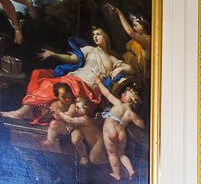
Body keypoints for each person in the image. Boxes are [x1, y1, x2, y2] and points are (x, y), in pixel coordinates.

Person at [2, 27, 133, 120]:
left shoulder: (112, 59)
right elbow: (71, 59)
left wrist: (120, 69)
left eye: (98, 34)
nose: (95, 37)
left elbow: (130, 68)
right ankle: (30, 110)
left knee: (52, 84)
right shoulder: (90, 50)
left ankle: (22, 112)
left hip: (87, 86)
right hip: (75, 78)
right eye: (94, 35)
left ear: (106, 36)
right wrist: (53, 54)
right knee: (40, 75)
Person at [95, 79, 144, 180]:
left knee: (112, 153)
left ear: (129, 100)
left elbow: (107, 94)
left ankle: (116, 174)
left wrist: (99, 83)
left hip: (110, 129)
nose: (122, 93)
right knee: (121, 154)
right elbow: (141, 124)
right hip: (121, 134)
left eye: (125, 93)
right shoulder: (131, 114)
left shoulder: (118, 103)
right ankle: (131, 170)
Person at [54, 96, 105, 166]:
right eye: (76, 107)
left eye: (78, 108)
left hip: (98, 143)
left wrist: (60, 113)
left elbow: (70, 120)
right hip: (91, 140)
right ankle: (84, 156)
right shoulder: (82, 117)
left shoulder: (84, 119)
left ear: (85, 109)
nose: (76, 109)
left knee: (94, 159)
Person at [105, 4, 151, 81]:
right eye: (133, 25)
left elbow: (130, 33)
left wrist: (119, 13)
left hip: (139, 78)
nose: (134, 28)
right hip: (129, 71)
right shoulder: (133, 43)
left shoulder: (147, 41)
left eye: (136, 25)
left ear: (144, 24)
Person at [42, 83, 77, 152]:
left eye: (69, 97)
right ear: (57, 96)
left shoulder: (72, 105)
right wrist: (46, 112)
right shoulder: (55, 104)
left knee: (54, 123)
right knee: (53, 123)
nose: (67, 99)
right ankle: (50, 141)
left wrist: (60, 114)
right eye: (64, 97)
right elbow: (51, 116)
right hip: (60, 125)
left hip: (70, 127)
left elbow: (70, 114)